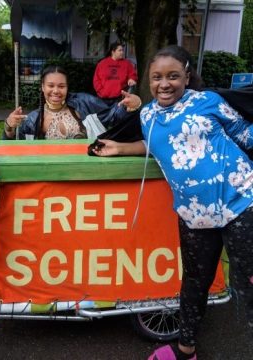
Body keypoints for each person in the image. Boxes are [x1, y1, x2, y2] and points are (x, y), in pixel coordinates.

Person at [93, 45, 253, 360]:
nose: (164, 84)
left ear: (186, 76)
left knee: (246, 284)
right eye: (157, 77)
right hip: (194, 215)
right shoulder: (149, 115)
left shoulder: (208, 101)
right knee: (194, 283)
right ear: (148, 81)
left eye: (173, 76)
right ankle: (185, 351)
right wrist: (119, 149)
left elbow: (245, 133)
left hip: (241, 202)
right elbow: (152, 144)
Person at [3, 65, 142, 140]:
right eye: (51, 86)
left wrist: (131, 106)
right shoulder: (33, 120)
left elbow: (113, 117)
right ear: (42, 87)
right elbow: (15, 144)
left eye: (61, 86)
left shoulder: (84, 103)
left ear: (67, 87)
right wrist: (9, 126)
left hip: (87, 173)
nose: (56, 91)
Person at [93, 41, 138, 106]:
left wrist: (131, 79)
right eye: (120, 50)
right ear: (113, 52)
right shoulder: (102, 64)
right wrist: (102, 92)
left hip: (119, 98)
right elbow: (96, 80)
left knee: (118, 116)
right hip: (103, 98)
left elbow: (133, 75)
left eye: (122, 50)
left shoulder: (127, 64)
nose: (122, 52)